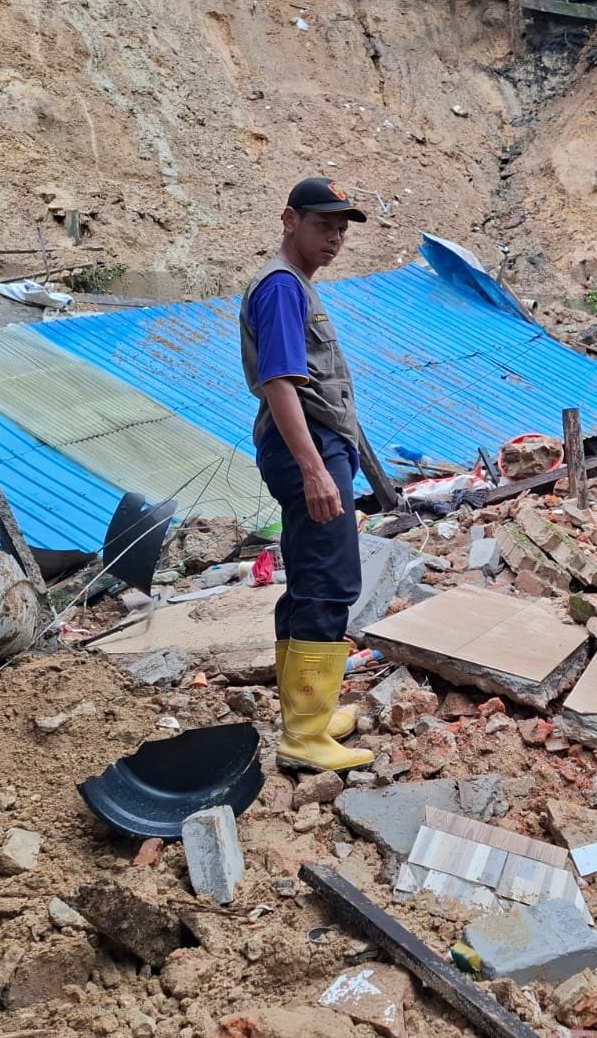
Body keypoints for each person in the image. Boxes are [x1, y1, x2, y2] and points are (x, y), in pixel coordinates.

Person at [239, 177, 374, 774]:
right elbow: (279, 382)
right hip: (307, 447)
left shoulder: (292, 288)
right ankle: (305, 736)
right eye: (324, 225)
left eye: (342, 227)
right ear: (289, 220)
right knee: (330, 581)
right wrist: (315, 468)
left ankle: (307, 713)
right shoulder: (281, 288)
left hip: (312, 446)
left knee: (308, 580)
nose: (336, 237)